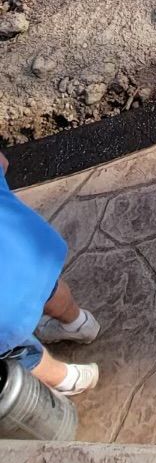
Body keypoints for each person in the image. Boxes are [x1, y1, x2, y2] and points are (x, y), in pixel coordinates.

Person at [0, 149, 99, 397]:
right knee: (49, 289)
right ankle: (81, 324)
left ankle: (70, 379)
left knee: (17, 349)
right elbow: (3, 162)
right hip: (28, 252)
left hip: (4, 314)